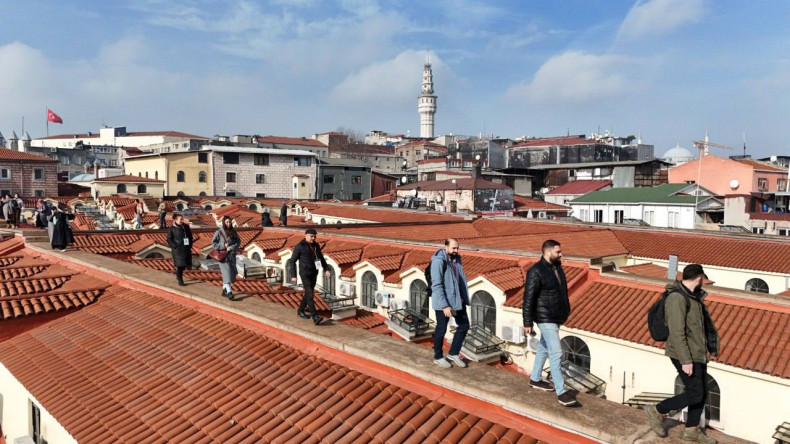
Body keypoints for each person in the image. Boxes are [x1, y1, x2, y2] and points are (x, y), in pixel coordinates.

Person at [645, 264, 719, 444]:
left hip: (697, 352)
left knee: (701, 391)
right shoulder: (677, 298)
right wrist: (686, 360)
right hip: (683, 354)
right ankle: (656, 410)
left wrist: (710, 347)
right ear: (699, 278)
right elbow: (677, 332)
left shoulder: (693, 297)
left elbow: (699, 328)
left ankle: (691, 430)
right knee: (695, 393)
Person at [523, 239, 578, 407]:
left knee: (544, 348)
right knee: (556, 352)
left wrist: (566, 310)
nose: (561, 254)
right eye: (558, 252)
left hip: (556, 316)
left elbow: (562, 291)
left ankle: (535, 378)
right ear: (547, 252)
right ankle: (561, 392)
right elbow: (528, 298)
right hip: (545, 317)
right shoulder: (536, 271)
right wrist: (527, 322)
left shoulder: (557, 268)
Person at [431, 238, 470, 369]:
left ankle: (453, 353)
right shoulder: (438, 261)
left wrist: (464, 298)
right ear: (446, 247)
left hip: (458, 299)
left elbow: (459, 280)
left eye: (457, 248)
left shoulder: (457, 259)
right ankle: (438, 356)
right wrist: (444, 305)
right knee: (441, 329)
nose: (456, 251)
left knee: (464, 325)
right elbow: (436, 285)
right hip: (444, 302)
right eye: (454, 248)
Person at [288, 228, 330, 325]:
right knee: (310, 294)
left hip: (314, 272)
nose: (313, 238)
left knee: (308, 293)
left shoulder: (316, 246)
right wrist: (293, 275)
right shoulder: (300, 246)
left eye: (314, 236)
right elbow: (292, 261)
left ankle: (300, 310)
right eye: (311, 236)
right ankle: (315, 316)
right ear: (305, 236)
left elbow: (321, 258)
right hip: (305, 273)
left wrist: (326, 269)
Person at [212, 215, 241, 300]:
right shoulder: (219, 232)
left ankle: (224, 291)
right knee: (227, 273)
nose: (228, 224)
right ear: (224, 223)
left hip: (231, 256)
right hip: (223, 257)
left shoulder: (233, 231)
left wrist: (232, 247)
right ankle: (229, 292)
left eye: (229, 222)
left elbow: (238, 241)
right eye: (227, 222)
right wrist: (223, 246)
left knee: (229, 274)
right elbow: (213, 244)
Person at [167, 213, 194, 287]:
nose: (182, 220)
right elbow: (169, 239)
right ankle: (180, 279)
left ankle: (178, 276)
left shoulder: (185, 227)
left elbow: (190, 236)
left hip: (186, 248)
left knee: (185, 264)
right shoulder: (172, 229)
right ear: (175, 220)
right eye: (180, 219)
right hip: (178, 250)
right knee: (180, 265)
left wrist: (190, 244)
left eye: (182, 219)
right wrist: (174, 245)